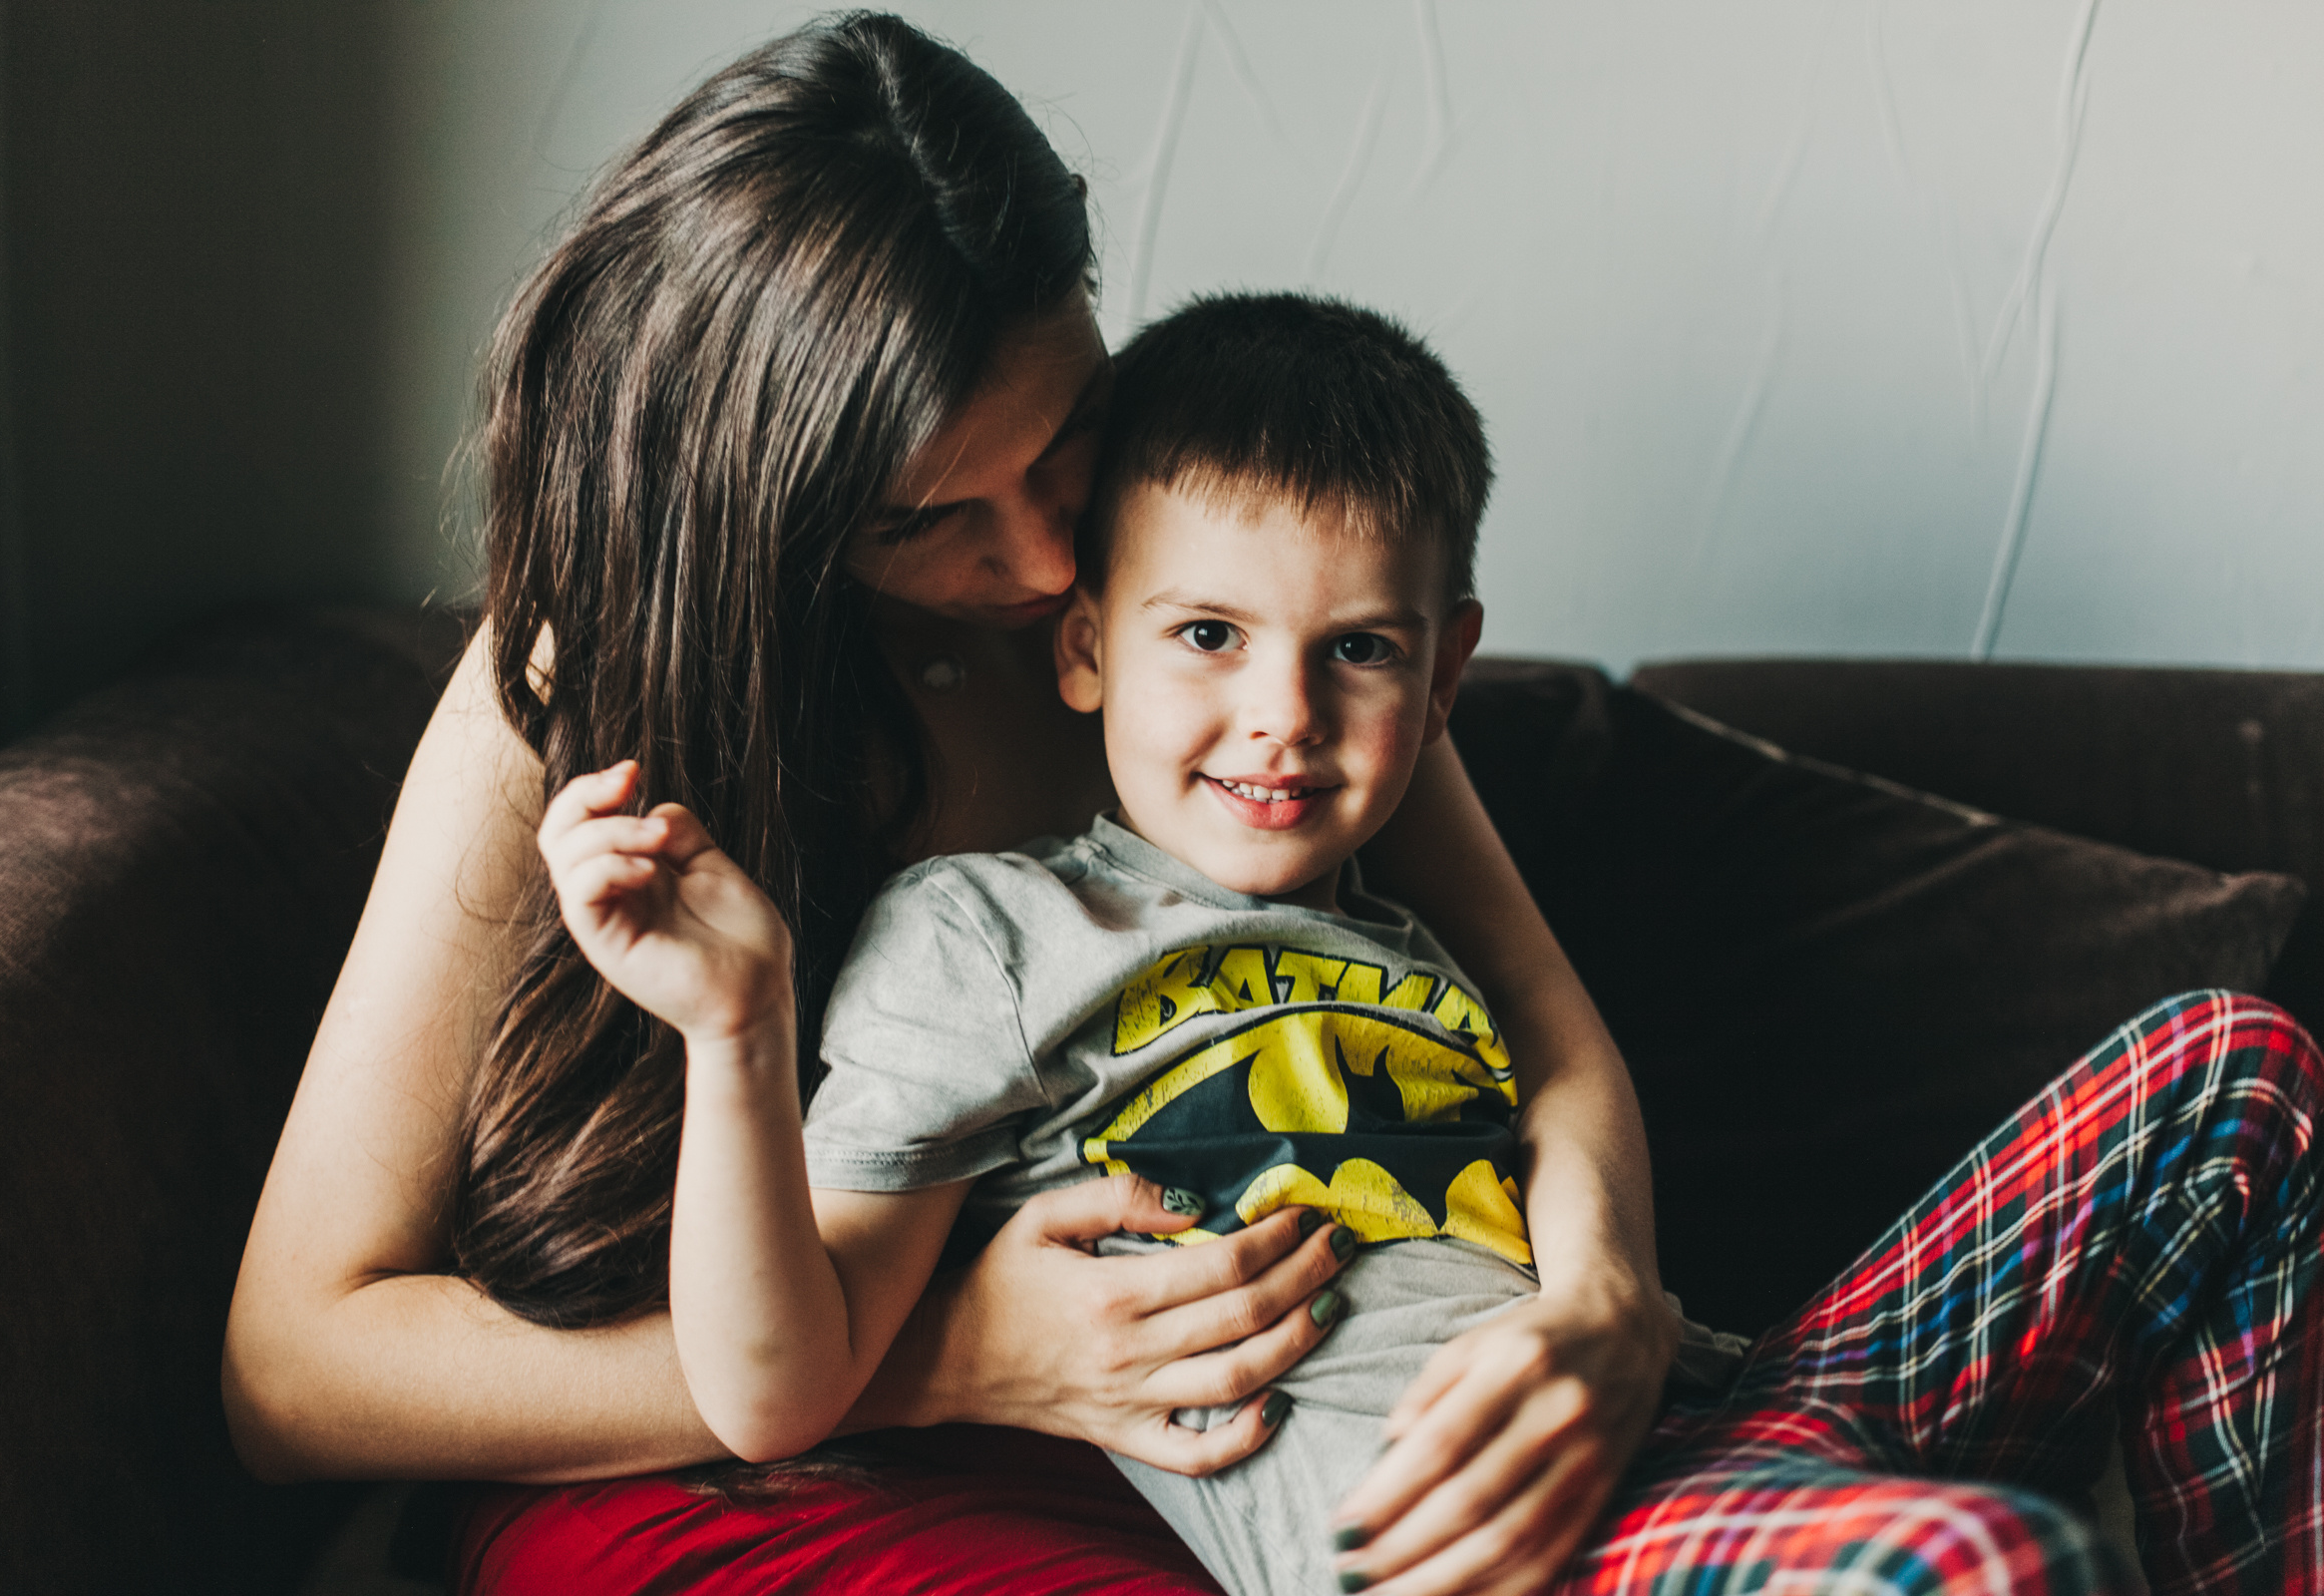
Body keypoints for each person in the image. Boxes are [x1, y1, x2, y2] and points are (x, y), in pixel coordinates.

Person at [223, 16, 1681, 1596]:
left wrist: (1606, 1292)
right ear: (772, 510)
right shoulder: (577, 683)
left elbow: (1537, 1014)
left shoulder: (1210, 633)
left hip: (1205, 1442)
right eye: (933, 518)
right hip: (721, 1466)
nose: (1055, 563)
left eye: (1064, 442)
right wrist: (949, 1355)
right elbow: (298, 1369)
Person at [537, 290, 1755, 1596]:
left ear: (1442, 674)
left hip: (1714, 1410)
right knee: (1974, 1559)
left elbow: (1557, 1054)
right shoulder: (990, 938)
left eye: (1356, 650)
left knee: (2017, 1206)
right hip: (1484, 1528)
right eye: (1208, 636)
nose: (1284, 717)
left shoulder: (1405, 934)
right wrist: (738, 1033)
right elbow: (776, 1391)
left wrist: (1603, 1301)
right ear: (1084, 648)